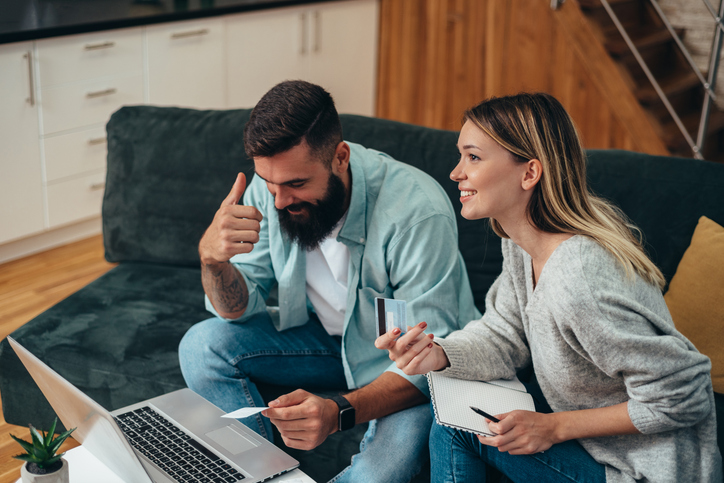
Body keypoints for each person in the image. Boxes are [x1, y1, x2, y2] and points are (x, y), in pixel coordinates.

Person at [376, 92, 723, 482]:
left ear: (530, 173)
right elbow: (505, 333)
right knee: (456, 411)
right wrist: (439, 354)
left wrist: (554, 427)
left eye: (472, 157)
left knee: (459, 428)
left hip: (641, 471)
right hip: (596, 450)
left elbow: (685, 394)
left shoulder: (577, 279)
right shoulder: (522, 242)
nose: (456, 172)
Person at [178, 80, 480, 482]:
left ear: (340, 157)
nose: (279, 200)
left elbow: (427, 361)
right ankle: (260, 476)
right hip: (324, 340)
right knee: (201, 345)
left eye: (297, 184)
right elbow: (239, 308)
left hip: (406, 362)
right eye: (269, 183)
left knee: (380, 474)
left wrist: (338, 411)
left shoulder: (416, 211)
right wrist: (212, 261)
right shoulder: (269, 191)